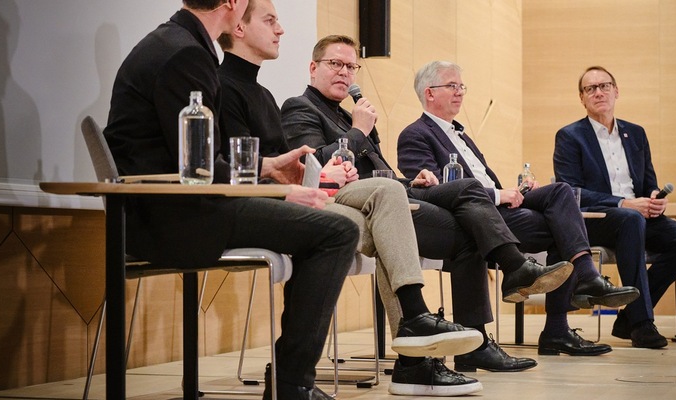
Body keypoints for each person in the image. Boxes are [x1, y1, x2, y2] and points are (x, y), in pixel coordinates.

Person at [215, 1, 488, 396]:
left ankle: (411, 352)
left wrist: (403, 177)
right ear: (237, 26)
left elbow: (295, 165)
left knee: (392, 206)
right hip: (290, 203)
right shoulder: (288, 103)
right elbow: (286, 164)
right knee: (392, 201)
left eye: (351, 66)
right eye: (271, 20)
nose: (281, 30)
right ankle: (414, 342)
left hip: (333, 200)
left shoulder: (265, 95)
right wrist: (347, 144)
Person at [280, 34, 576, 382]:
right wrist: (360, 130)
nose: (345, 72)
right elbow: (315, 167)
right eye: (335, 64)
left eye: (351, 66)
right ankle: (513, 269)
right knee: (467, 197)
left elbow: (382, 173)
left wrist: (412, 182)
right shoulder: (300, 107)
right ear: (314, 67)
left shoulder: (352, 116)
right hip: (346, 204)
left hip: (389, 196)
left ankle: (476, 340)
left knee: (466, 208)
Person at [102, 2, 359, 399]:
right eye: (270, 19)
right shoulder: (186, 52)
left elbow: (199, 159)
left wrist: (269, 167)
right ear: (233, 5)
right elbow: (199, 167)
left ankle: (291, 381)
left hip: (161, 210)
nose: (281, 30)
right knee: (337, 231)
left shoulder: (175, 41)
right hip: (173, 220)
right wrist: (280, 189)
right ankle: (293, 386)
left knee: (325, 224)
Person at [397, 60, 641, 357]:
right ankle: (567, 313)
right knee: (561, 229)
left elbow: (481, 182)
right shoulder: (415, 134)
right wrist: (500, 195)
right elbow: (432, 191)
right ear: (429, 93)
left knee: (560, 193)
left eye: (462, 86)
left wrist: (517, 192)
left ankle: (574, 299)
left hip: (499, 207)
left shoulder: (461, 135)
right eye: (452, 86)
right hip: (476, 218)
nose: (460, 92)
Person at [553, 65, 676, 349]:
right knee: (630, 219)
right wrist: (624, 203)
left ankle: (628, 317)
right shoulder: (570, 136)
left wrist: (656, 199)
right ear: (582, 98)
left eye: (604, 86)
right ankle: (642, 323)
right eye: (590, 88)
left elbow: (648, 185)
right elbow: (570, 191)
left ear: (616, 91)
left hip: (639, 217)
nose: (598, 92)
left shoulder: (636, 134)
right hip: (596, 219)